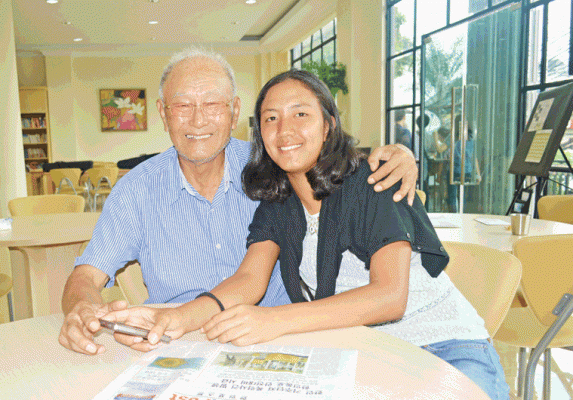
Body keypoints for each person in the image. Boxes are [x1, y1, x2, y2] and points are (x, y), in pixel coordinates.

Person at [108, 70, 509, 399]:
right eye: (271, 118)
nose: (285, 129)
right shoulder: (277, 202)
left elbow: (389, 297)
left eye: (300, 114)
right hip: (361, 352)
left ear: (328, 124)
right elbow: (249, 279)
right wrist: (175, 317)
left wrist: (273, 320)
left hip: (443, 348)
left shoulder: (371, 180)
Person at [58, 48, 419, 356]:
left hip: (285, 337)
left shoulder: (272, 168)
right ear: (164, 113)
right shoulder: (136, 191)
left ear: (234, 112)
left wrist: (400, 154)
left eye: (212, 104)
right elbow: (86, 275)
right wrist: (82, 310)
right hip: (179, 340)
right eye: (182, 105)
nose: (198, 120)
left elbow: (330, 165)